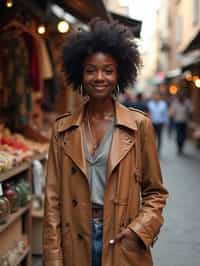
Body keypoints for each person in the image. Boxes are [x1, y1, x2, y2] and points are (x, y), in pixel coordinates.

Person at [43, 18, 168, 266]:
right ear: (80, 73)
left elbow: (155, 192)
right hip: (74, 240)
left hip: (122, 240)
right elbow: (52, 200)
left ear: (119, 73)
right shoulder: (62, 129)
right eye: (91, 70)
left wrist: (138, 230)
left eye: (108, 70)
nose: (99, 77)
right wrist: (53, 257)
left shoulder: (138, 126)